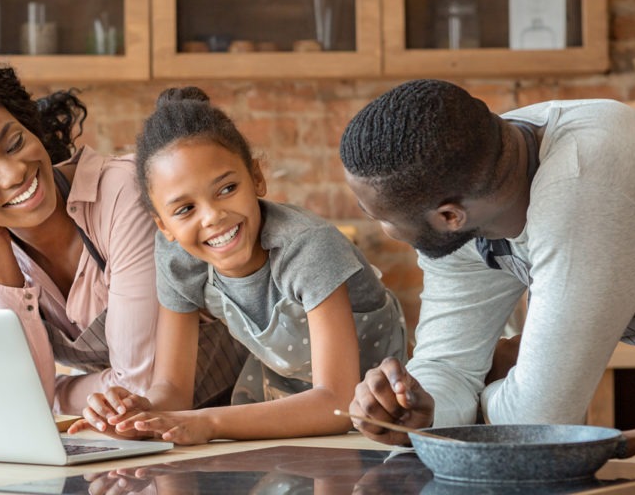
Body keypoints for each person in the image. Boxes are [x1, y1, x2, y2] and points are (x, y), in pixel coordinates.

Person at [339, 78, 635, 448]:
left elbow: (540, 419)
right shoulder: (473, 173)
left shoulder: (584, 192)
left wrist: (485, 387)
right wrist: (417, 406)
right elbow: (449, 364)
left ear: (449, 216)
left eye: (378, 217)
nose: (383, 228)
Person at [0, 61, 245, 414]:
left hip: (234, 412)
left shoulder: (122, 194)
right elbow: (18, 395)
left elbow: (138, 387)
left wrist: (54, 394)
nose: (14, 173)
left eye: (13, 143)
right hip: (137, 442)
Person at [69, 86, 407, 444]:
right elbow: (173, 391)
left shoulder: (307, 247)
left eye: (227, 188)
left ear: (256, 179)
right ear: (163, 226)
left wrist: (211, 423)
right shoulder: (178, 260)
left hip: (373, 421)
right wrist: (137, 417)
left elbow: (338, 404)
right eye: (185, 209)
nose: (213, 216)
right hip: (274, 406)